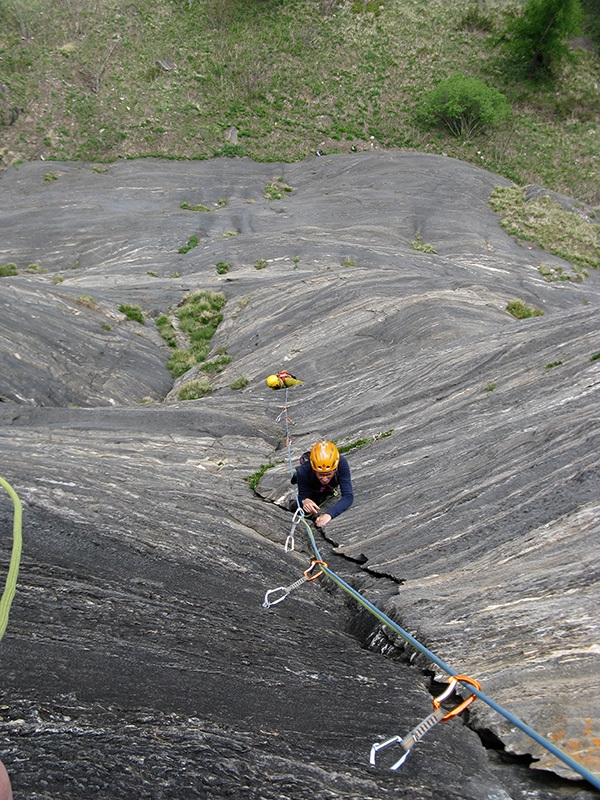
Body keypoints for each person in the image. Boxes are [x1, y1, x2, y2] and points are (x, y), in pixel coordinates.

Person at [294, 441, 353, 528]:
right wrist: (304, 500)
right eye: (320, 474)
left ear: (335, 469)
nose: (325, 479)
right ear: (314, 470)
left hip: (329, 487)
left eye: (329, 474)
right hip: (313, 488)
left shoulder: (341, 464)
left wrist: (329, 515)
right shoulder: (304, 471)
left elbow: (348, 496)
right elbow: (302, 495)